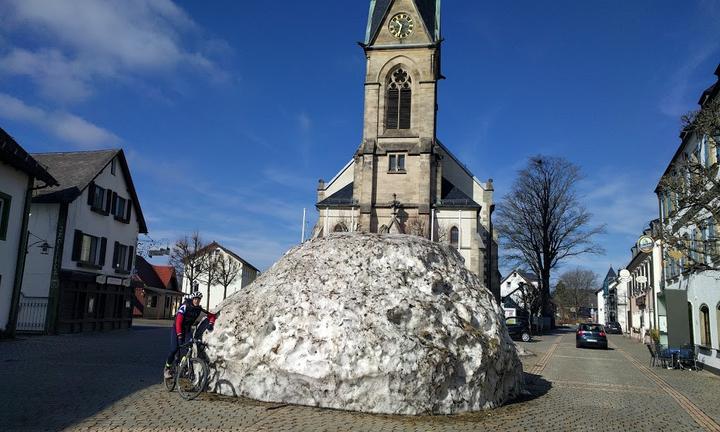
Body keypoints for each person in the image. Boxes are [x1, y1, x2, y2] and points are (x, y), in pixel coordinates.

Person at [164, 291, 211, 379]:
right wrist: (179, 334)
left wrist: (212, 321)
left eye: (198, 299)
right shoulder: (185, 306)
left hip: (187, 330)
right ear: (192, 299)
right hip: (177, 329)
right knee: (174, 349)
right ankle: (167, 367)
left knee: (189, 347)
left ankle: (185, 366)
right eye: (195, 299)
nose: (197, 301)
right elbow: (178, 321)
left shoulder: (199, 309)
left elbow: (210, 315)